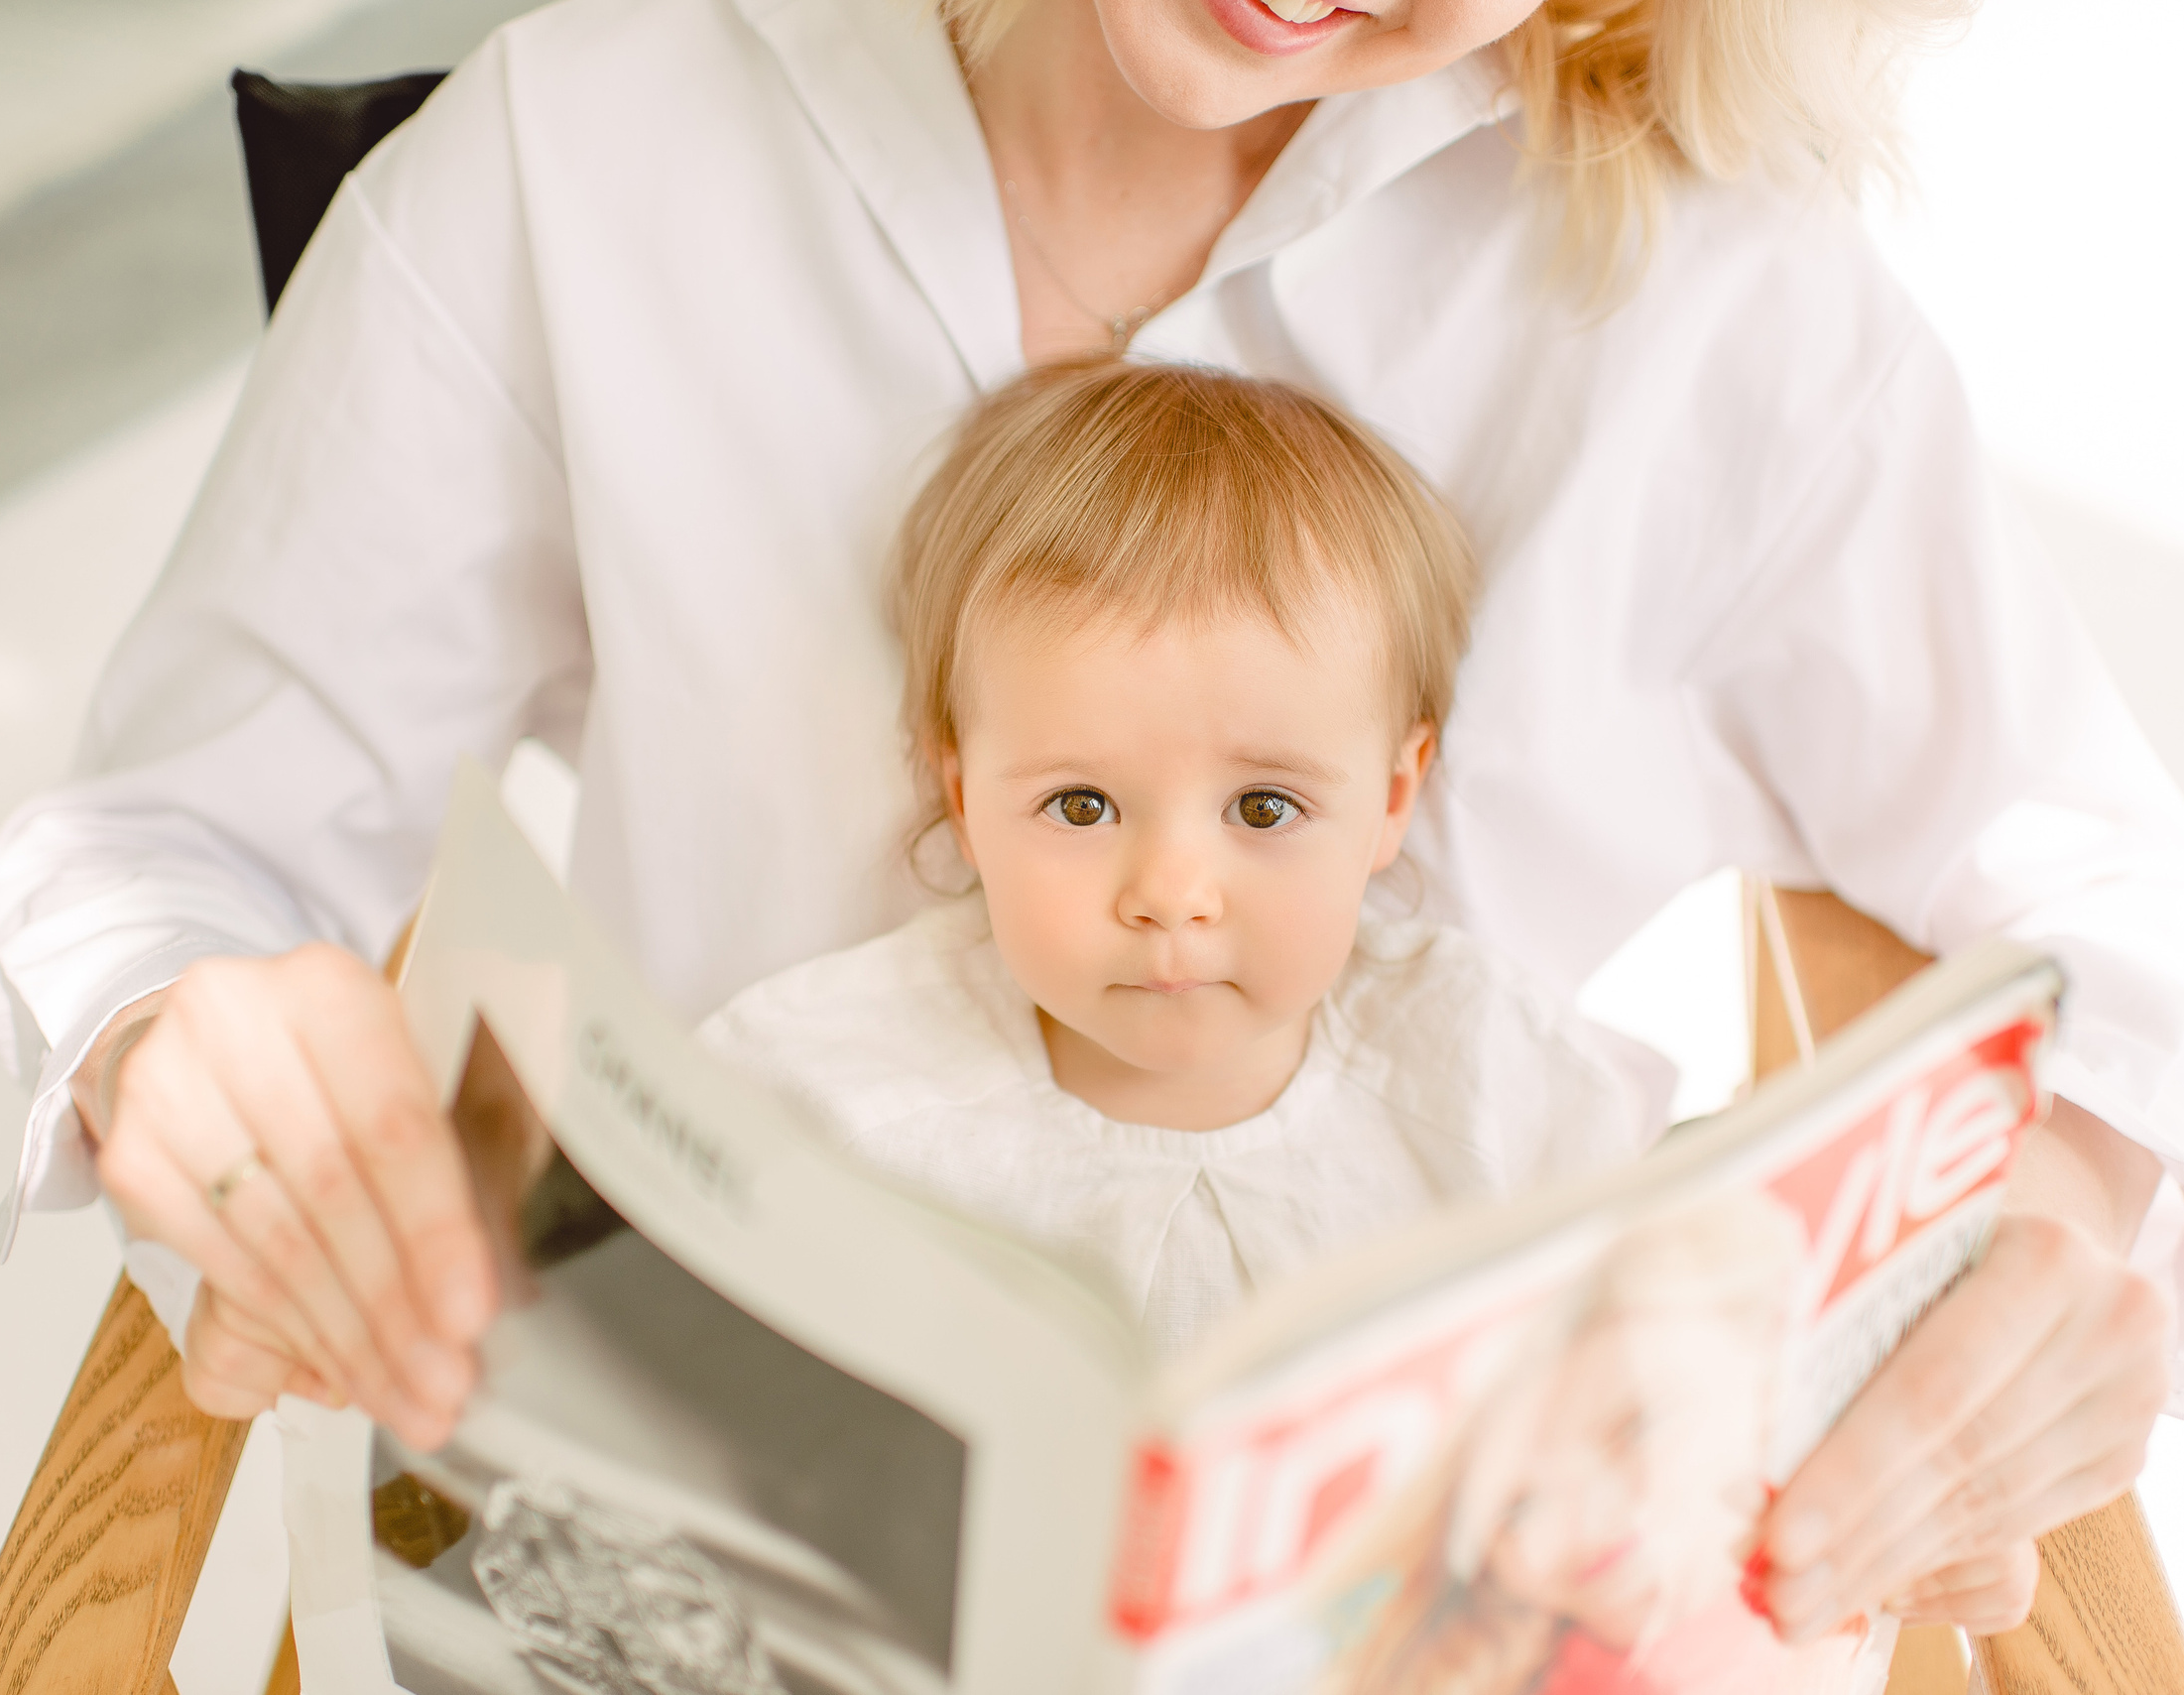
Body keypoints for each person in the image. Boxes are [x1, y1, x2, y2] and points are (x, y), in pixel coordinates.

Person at [0, 0, 2184, 1645]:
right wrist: (180, 1032)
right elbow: (180, 833)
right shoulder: (592, 138)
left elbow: (2093, 904)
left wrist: (2061, 1200)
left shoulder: (1706, 296)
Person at [696, 360, 1662, 1356]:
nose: (1170, 896)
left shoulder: (1489, 1079)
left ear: (1389, 798)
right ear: (960, 796)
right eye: (1081, 804)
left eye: (1262, 805)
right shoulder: (828, 1096)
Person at [1319, 1194, 1835, 1695]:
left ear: (1759, 1356)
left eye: (1636, 1429)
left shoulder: (1836, 1530)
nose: (1589, 1520)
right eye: (1517, 1508)